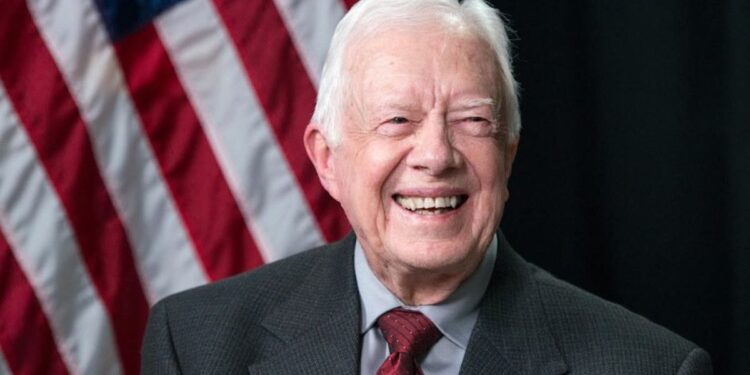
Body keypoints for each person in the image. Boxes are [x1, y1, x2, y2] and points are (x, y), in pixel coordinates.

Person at [141, 0, 712, 373]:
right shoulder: (194, 344)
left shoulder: (651, 365)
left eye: (473, 121)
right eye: (397, 121)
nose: (436, 156)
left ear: (507, 156)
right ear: (327, 159)